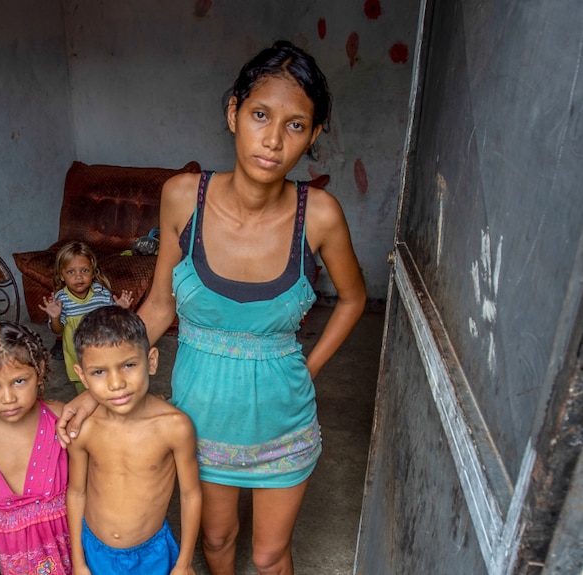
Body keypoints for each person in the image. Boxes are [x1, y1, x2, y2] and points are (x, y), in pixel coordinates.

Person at [58, 41, 366, 575]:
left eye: (296, 126)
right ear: (233, 113)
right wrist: (95, 387)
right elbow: (157, 308)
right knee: (218, 541)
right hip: (201, 417)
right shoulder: (183, 197)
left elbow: (355, 298)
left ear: (314, 137)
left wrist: (308, 369)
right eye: (260, 115)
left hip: (282, 420)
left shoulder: (318, 215)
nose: (272, 140)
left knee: (270, 557)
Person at [66, 306, 201, 575]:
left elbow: (190, 494)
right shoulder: (84, 429)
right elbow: (77, 492)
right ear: (82, 376)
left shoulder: (174, 427)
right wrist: (78, 561)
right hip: (95, 551)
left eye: (128, 365)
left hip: (153, 553)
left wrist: (184, 562)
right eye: (99, 372)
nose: (116, 383)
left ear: (151, 361)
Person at [0, 322, 71, 575]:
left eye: (19, 381)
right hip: (17, 558)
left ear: (39, 372)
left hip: (74, 545)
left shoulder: (61, 418)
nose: (8, 398)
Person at [39, 241, 134, 394]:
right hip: (77, 356)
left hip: (104, 351)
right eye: (71, 272)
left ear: (93, 272)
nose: (78, 277)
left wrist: (119, 310)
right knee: (85, 394)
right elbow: (58, 330)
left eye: (84, 270)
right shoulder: (61, 299)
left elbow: (112, 322)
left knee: (108, 388)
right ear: (61, 276)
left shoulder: (100, 293)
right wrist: (55, 317)